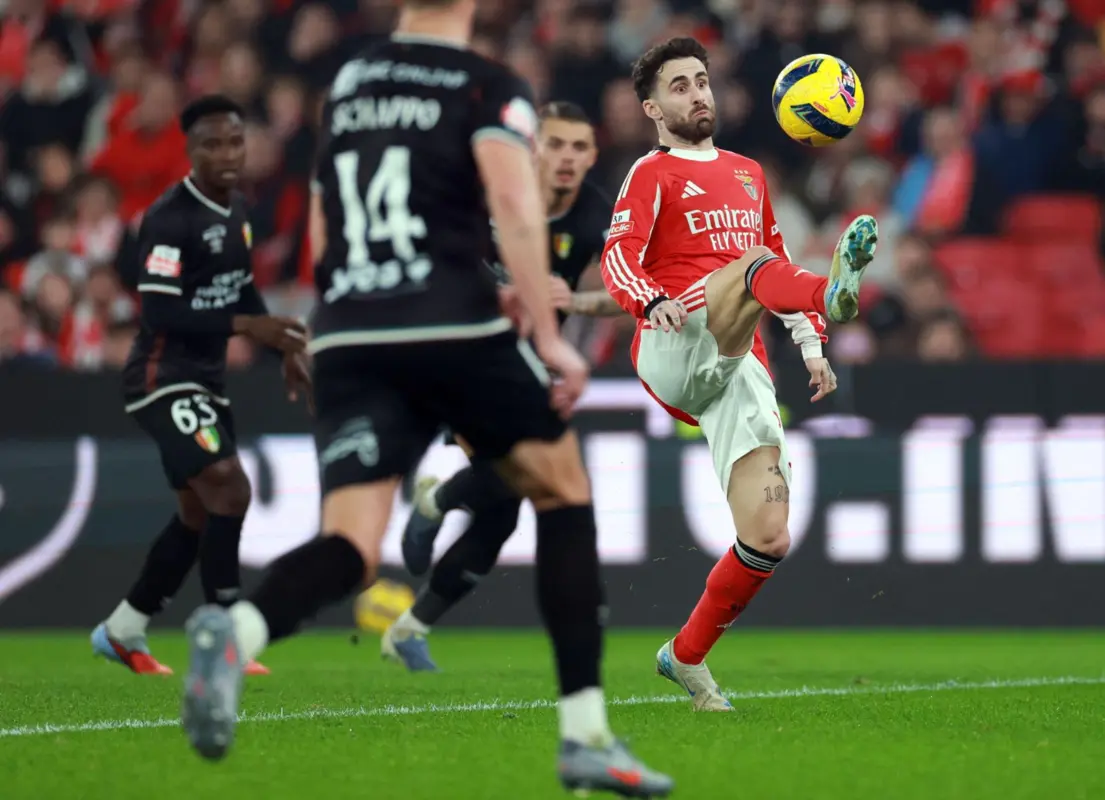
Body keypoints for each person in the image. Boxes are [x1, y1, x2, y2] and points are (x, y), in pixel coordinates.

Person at [177, 2, 673, 795]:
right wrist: (548, 340)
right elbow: (513, 207)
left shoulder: (346, 81)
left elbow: (321, 216)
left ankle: (237, 631)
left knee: (349, 546)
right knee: (563, 491)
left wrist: (321, 329)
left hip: (346, 324)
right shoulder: (487, 84)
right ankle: (584, 733)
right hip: (448, 319)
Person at [601, 38, 877, 711]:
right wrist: (651, 300)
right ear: (653, 108)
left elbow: (774, 263)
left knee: (769, 535)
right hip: (672, 341)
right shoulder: (651, 172)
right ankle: (832, 294)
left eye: (702, 81)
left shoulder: (749, 173)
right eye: (680, 86)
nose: (698, 94)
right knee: (751, 267)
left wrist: (811, 349)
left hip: (734, 361)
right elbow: (617, 256)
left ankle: (687, 657)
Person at [387, 100, 621, 673]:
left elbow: (638, 292)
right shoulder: (490, 191)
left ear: (592, 156)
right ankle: (437, 500)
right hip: (455, 353)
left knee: (502, 511)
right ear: (534, 147)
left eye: (578, 148)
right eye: (555, 144)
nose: (566, 159)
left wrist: (580, 299)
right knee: (516, 476)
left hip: (527, 368)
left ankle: (409, 626)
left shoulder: (597, 216)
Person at [90, 95, 310, 677]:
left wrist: (281, 342)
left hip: (205, 382)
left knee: (197, 513)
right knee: (230, 488)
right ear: (190, 151)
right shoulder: (167, 218)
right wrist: (246, 325)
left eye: (235, 141)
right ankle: (226, 633)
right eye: (212, 144)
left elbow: (241, 290)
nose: (227, 153)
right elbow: (160, 313)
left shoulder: (237, 210)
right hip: (161, 377)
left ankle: (123, 629)